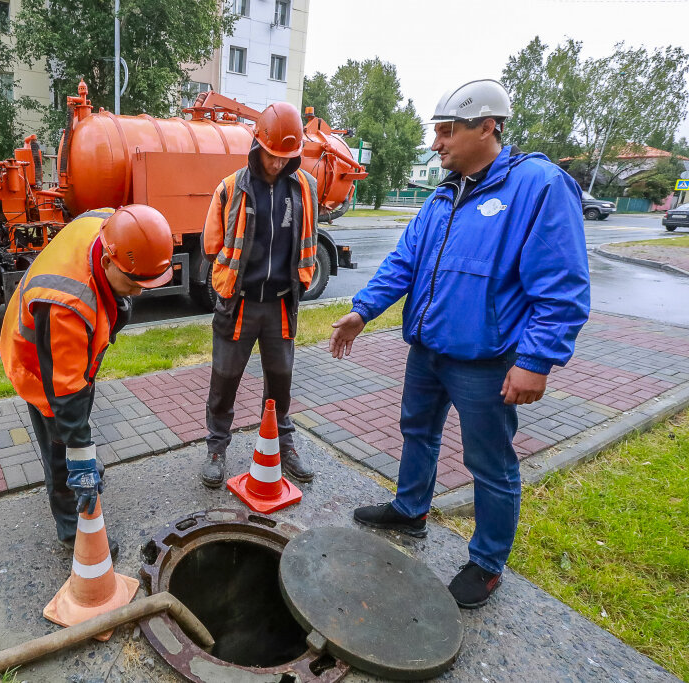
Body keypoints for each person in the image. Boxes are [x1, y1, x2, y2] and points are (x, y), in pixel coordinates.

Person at [329, 79, 590, 608]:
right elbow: (404, 262)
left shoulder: (538, 186)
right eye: (437, 132)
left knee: (489, 462)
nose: (437, 144)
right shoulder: (443, 195)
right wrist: (363, 310)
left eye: (447, 131)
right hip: (428, 350)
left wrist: (536, 360)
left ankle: (487, 563)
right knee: (417, 432)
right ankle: (411, 510)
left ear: (488, 126)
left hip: (485, 360)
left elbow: (562, 284)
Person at [0, 205, 174, 551]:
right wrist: (79, 457)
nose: (139, 292)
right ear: (108, 261)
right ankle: (72, 530)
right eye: (133, 282)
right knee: (61, 444)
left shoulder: (108, 225)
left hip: (67, 355)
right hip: (39, 368)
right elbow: (66, 395)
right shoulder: (66, 305)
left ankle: (81, 464)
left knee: (77, 427)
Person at [199, 101, 320, 488]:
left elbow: (310, 238)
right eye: (271, 154)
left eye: (285, 156)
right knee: (225, 379)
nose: (277, 163)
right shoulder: (230, 188)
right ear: (257, 145)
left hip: (281, 303)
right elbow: (211, 245)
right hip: (239, 303)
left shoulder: (304, 188)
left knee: (281, 379)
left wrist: (300, 283)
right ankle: (216, 448)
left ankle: (283, 443)